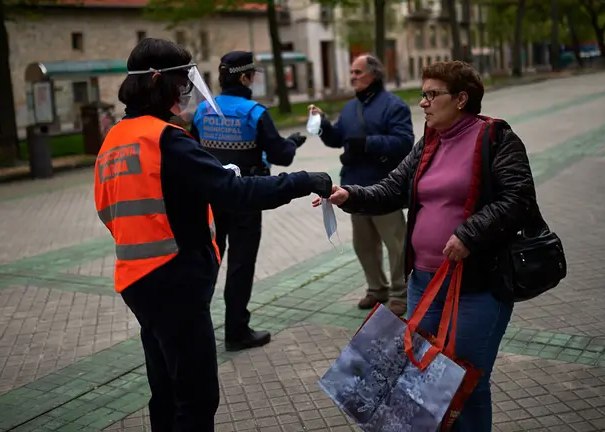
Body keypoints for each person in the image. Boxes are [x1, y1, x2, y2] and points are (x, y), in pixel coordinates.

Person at [94, 38, 332, 431]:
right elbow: (234, 192)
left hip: (136, 279)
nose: (185, 95)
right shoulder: (165, 140)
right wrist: (303, 180)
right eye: (181, 84)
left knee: (165, 391)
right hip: (175, 283)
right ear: (160, 83)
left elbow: (107, 208)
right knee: (197, 398)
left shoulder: (116, 138)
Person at [313, 60, 537, 432]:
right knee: (423, 376)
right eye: (423, 95)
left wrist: (469, 234)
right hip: (424, 284)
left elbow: (519, 199)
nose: (424, 103)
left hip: (476, 286)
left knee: (466, 382)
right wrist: (347, 195)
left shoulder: (496, 139)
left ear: (462, 98)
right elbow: (392, 189)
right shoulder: (430, 143)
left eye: (432, 94)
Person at [190, 51, 307, 352]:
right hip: (246, 198)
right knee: (240, 266)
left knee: (209, 262)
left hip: (211, 200)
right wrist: (292, 141)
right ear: (244, 77)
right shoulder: (254, 112)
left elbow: (193, 149)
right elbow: (281, 154)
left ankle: (194, 331)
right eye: (252, 75)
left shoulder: (203, 110)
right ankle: (237, 331)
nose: (253, 79)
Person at [307, 54, 414, 316]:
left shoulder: (394, 105)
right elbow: (337, 139)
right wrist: (323, 126)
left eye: (358, 72)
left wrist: (367, 144)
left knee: (397, 245)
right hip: (354, 190)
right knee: (364, 246)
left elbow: (404, 142)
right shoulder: (349, 108)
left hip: (385, 189)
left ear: (374, 75)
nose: (353, 77)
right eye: (352, 72)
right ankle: (377, 290)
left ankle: (401, 293)